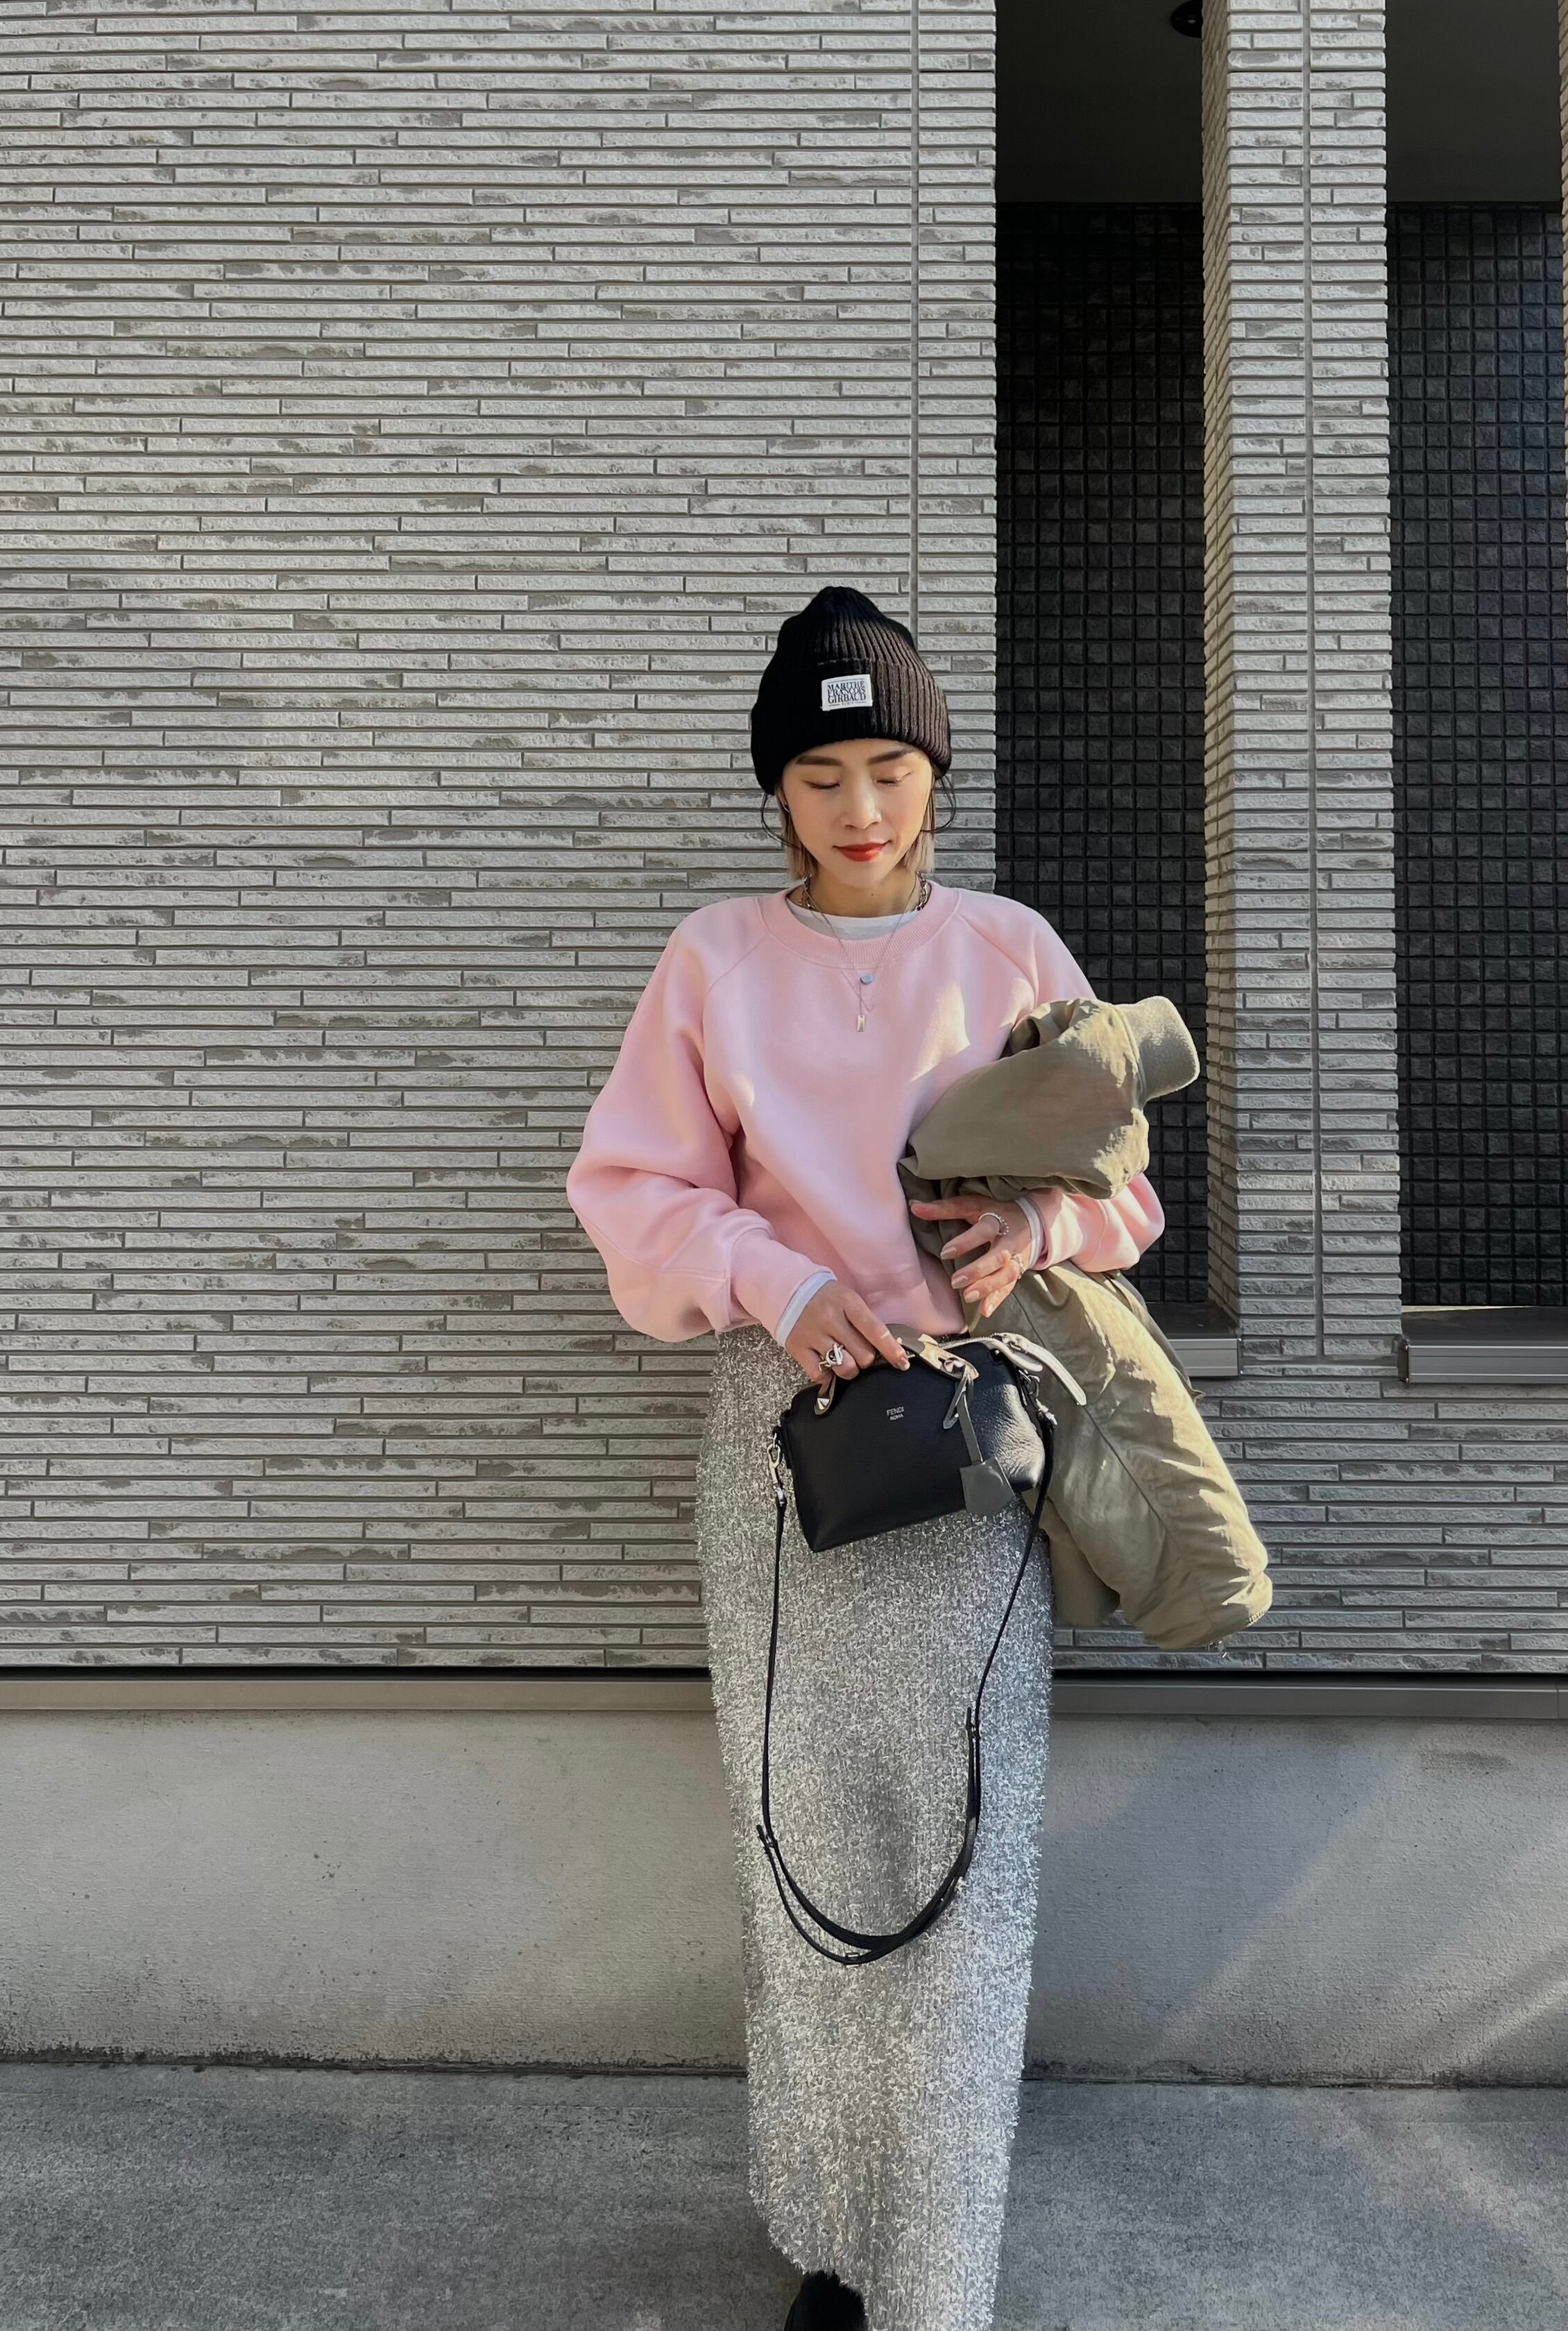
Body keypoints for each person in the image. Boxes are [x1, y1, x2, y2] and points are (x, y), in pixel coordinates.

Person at [565, 586, 1166, 2331]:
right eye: (822, 773)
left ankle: (937, 2272)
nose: (859, 807)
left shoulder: (1010, 950)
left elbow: (1127, 1190)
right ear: (778, 787)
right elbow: (632, 1190)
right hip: (781, 1434)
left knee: (965, 1848)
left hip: (969, 1438)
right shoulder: (715, 960)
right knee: (800, 1846)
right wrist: (780, 1279)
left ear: (933, 777)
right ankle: (833, 2240)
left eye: (890, 769)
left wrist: (1035, 1229)